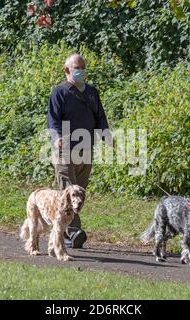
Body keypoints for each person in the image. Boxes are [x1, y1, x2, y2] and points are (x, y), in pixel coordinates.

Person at [47, 53, 110, 248]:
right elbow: (53, 119)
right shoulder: (59, 92)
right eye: (77, 68)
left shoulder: (92, 92)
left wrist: (105, 133)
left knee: (79, 195)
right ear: (67, 70)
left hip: (85, 149)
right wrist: (56, 138)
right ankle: (74, 232)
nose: (81, 71)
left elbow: (100, 116)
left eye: (83, 68)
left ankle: (64, 230)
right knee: (69, 192)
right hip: (64, 151)